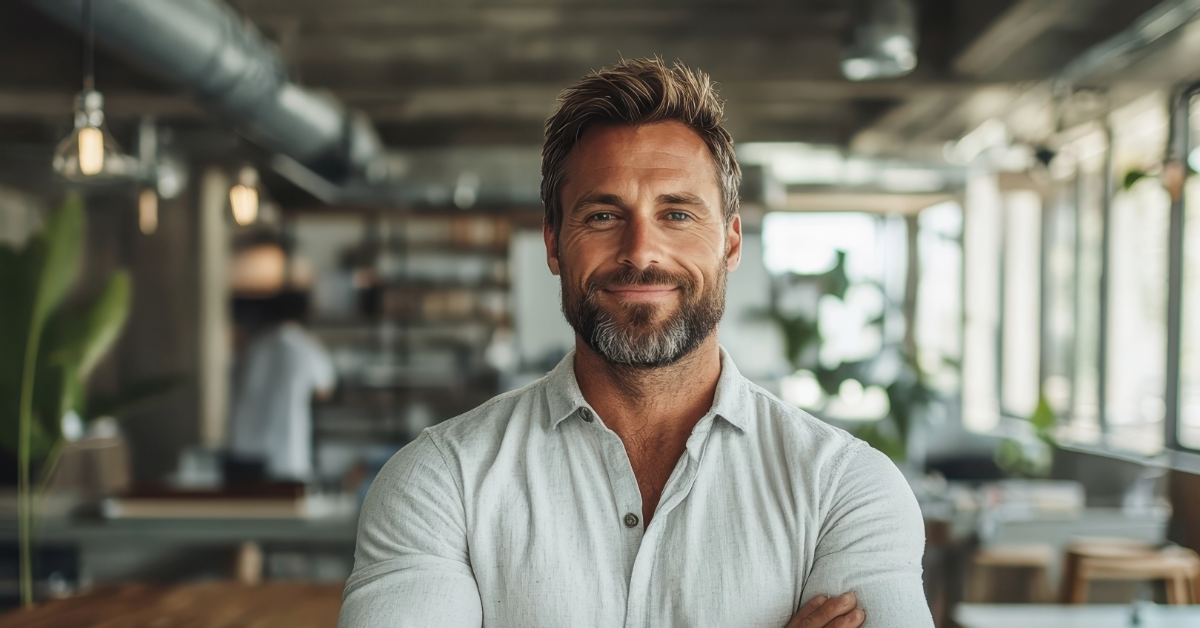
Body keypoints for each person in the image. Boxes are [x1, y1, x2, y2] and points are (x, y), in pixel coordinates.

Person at [339, 57, 931, 628]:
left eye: (676, 214)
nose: (641, 250)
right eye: (602, 215)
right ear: (553, 241)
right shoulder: (441, 483)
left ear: (729, 242)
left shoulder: (846, 491)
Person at [229, 289, 335, 482]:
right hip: (286, 454)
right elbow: (324, 391)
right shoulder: (307, 348)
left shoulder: (254, 346)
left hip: (245, 450)